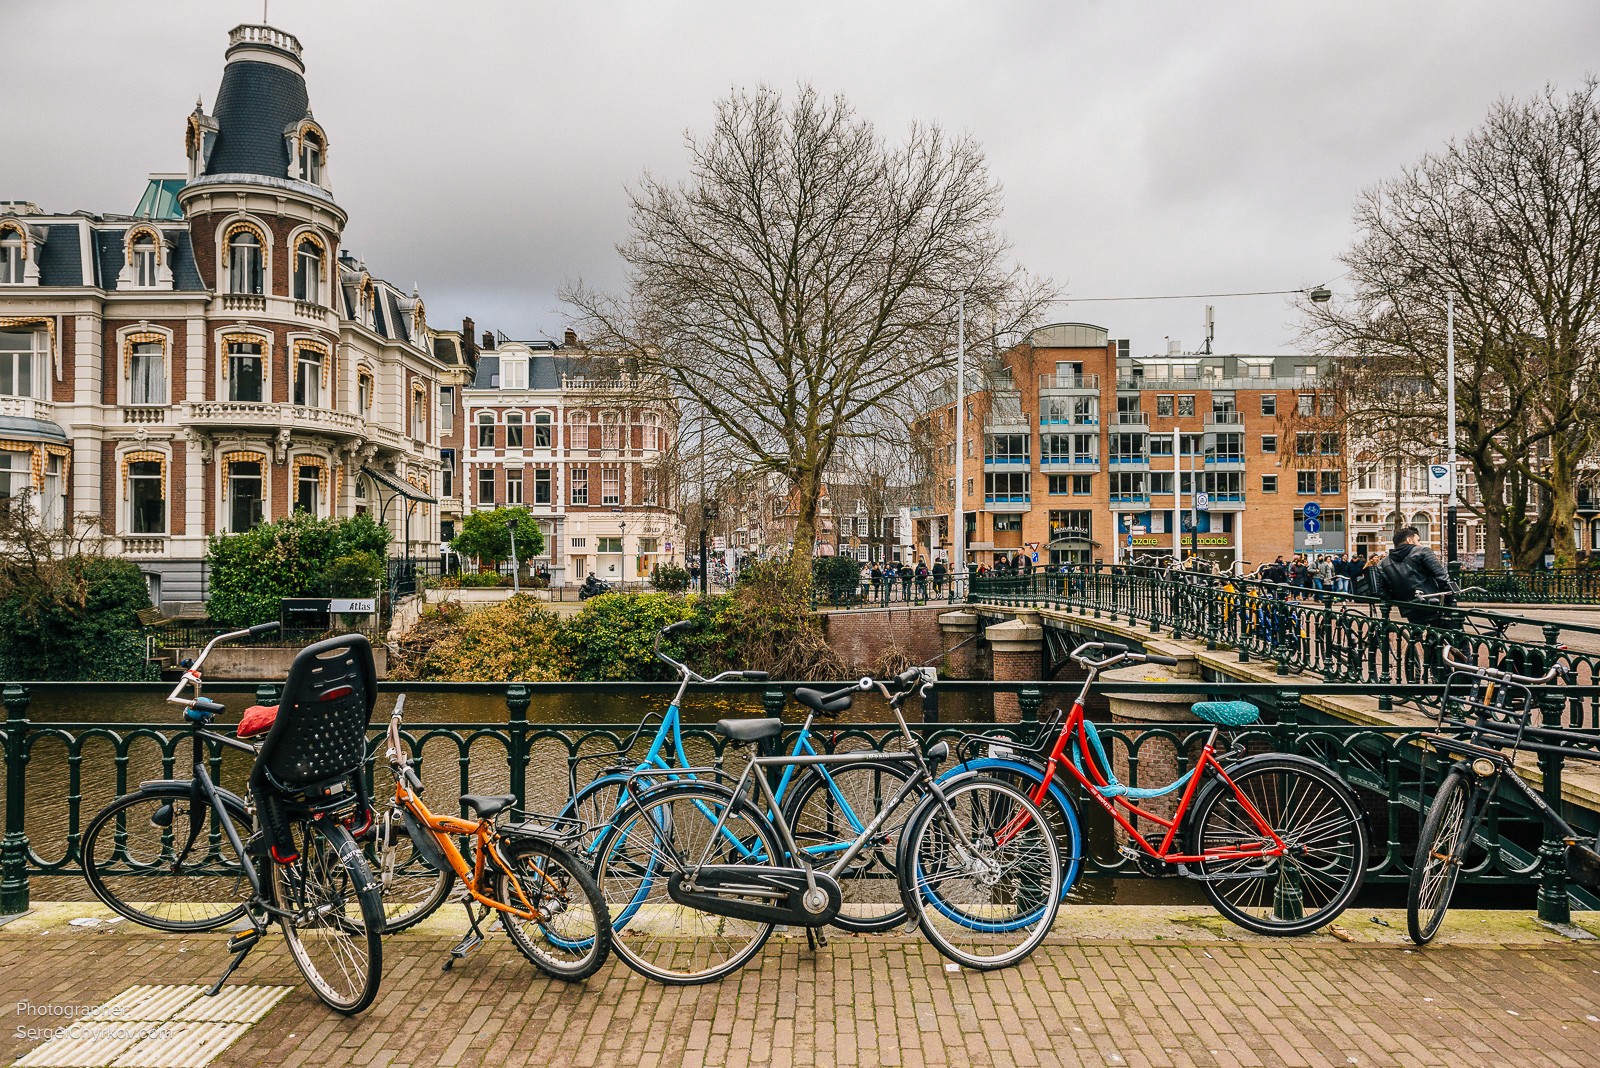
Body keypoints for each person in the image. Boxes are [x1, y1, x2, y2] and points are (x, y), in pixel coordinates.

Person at [1374, 525, 1453, 624]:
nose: (1420, 543)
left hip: (1409, 610)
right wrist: (1450, 602)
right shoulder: (1422, 551)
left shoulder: (1382, 563)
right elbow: (1442, 577)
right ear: (1409, 540)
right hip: (1432, 605)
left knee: (1418, 631)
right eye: (1418, 540)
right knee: (1450, 631)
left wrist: (1402, 600)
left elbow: (1381, 591)